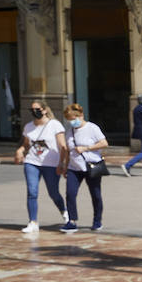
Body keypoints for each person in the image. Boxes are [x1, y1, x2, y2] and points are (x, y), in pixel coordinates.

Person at [14, 100, 68, 234]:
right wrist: (20, 150)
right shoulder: (28, 127)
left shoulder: (54, 125)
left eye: (37, 109)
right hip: (32, 162)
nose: (34, 112)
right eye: (32, 110)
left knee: (53, 193)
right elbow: (26, 144)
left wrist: (62, 163)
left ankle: (65, 213)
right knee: (32, 192)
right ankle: (33, 222)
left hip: (50, 163)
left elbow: (63, 146)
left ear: (44, 110)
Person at [62, 103, 108, 233]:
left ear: (81, 116)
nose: (72, 122)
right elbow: (67, 150)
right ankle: (72, 221)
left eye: (73, 119)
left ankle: (97, 220)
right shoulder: (70, 132)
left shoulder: (92, 128)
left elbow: (104, 143)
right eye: (69, 120)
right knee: (70, 194)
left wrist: (86, 148)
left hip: (91, 166)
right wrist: (65, 166)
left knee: (95, 194)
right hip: (74, 167)